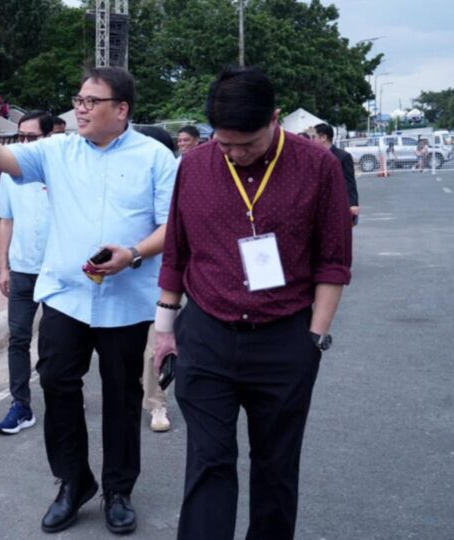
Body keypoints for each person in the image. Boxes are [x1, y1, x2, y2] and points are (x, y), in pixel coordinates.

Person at [0, 66, 177, 535]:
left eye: (91, 101)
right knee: (56, 382)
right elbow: (0, 157)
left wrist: (133, 253)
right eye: (77, 98)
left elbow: (171, 227)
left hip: (126, 300)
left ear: (122, 109)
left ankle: (119, 489)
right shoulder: (57, 150)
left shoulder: (155, 158)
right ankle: (74, 483)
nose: (80, 107)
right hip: (65, 296)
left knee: (121, 395)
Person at [154, 66, 352, 540]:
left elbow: (333, 261)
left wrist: (314, 339)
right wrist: (164, 331)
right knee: (208, 461)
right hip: (206, 334)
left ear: (275, 119)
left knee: (276, 466)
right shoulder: (196, 165)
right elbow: (177, 250)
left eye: (249, 144)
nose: (238, 155)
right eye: (226, 145)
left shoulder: (318, 167)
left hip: (285, 338)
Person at [0, 110, 53, 434]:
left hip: (57, 272)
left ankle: (61, 392)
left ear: (47, 139)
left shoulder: (61, 171)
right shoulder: (9, 173)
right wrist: (3, 265)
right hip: (22, 270)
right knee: (17, 338)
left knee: (55, 342)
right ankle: (20, 405)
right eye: (21, 137)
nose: (25, 143)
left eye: (32, 137)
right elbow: (6, 219)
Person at [134, 125, 177, 432]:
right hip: (125, 278)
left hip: (162, 280)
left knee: (155, 343)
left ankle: (157, 404)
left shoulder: (174, 182)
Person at [313, 123, 360, 225]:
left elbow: (349, 181)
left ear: (323, 138)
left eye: (314, 137)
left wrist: (353, 204)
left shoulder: (343, 156)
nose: (311, 140)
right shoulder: (313, 156)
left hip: (337, 204)